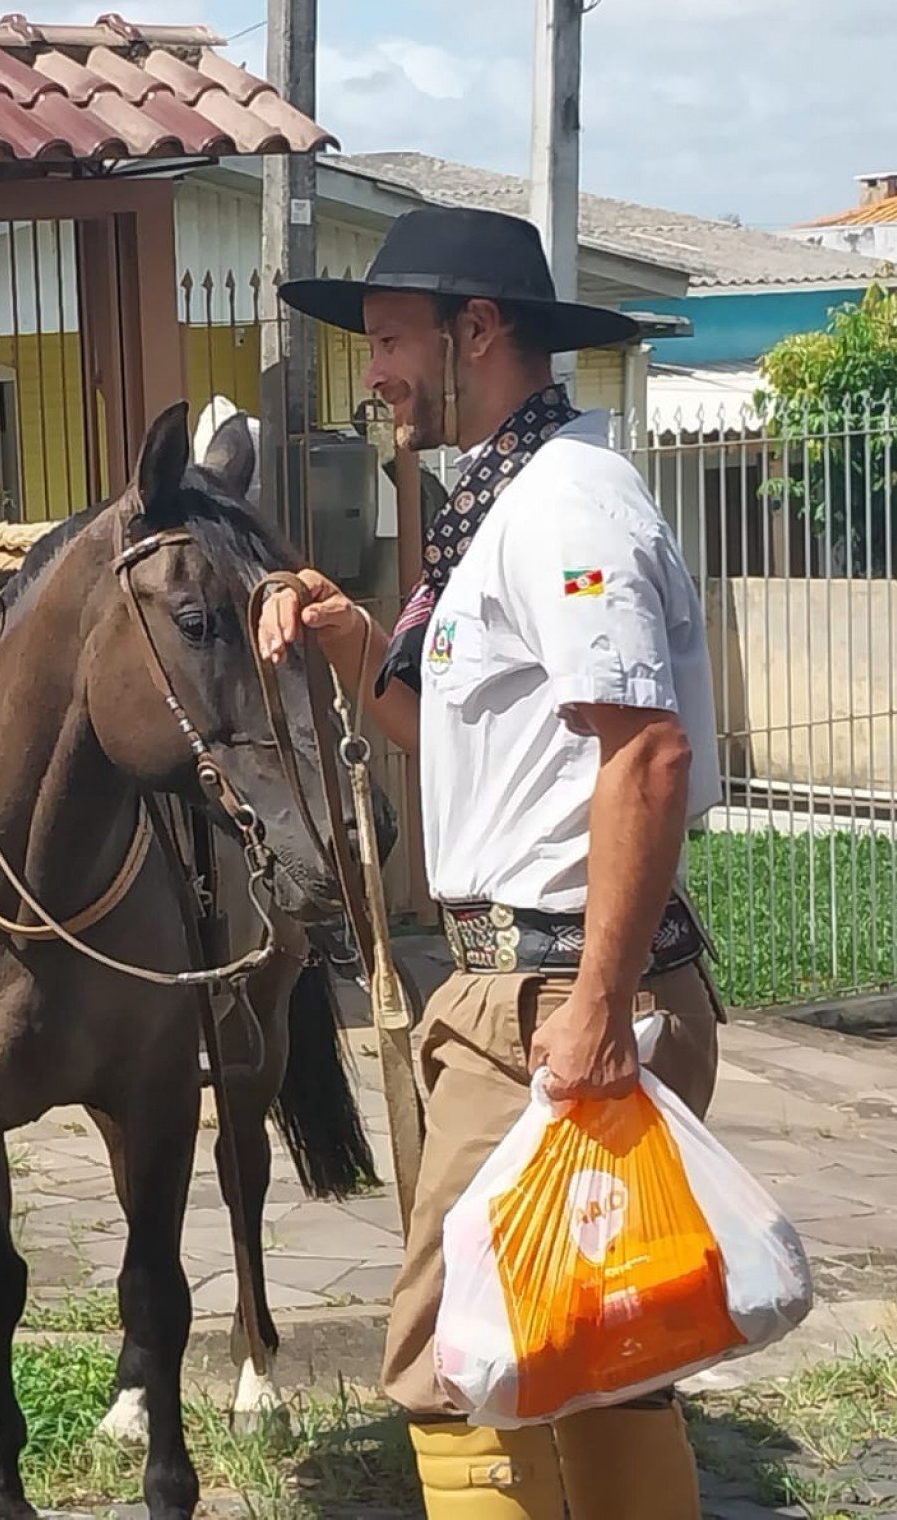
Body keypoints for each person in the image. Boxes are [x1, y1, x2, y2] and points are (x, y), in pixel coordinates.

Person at [260, 207, 723, 1520]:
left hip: (556, 990)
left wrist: (589, 1013)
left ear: (480, 332)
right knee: (589, 1353)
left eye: (394, 339)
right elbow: (469, 731)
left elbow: (646, 756)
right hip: (535, 985)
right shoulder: (506, 501)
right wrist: (360, 645)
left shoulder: (566, 507)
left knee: (456, 1356)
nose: (375, 372)